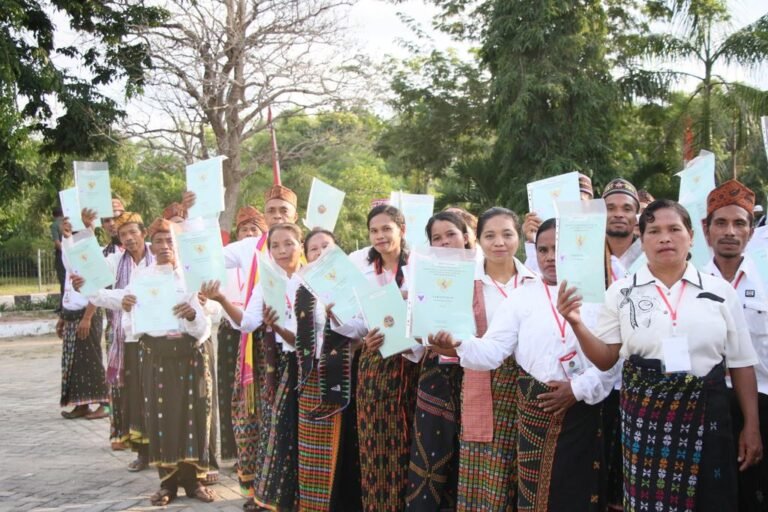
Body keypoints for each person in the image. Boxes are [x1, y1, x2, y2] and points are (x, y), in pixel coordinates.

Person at [558, 199, 763, 511]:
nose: (665, 237)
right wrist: (576, 323)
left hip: (709, 414)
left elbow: (741, 363)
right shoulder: (622, 292)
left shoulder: (720, 292)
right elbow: (605, 359)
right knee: (649, 501)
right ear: (642, 240)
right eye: (654, 231)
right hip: (646, 416)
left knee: (712, 497)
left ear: (692, 235)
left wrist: (751, 425)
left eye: (674, 229)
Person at [431, 218, 617, 511]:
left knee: (579, 492)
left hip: (583, 411)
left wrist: (577, 389)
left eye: (559, 248)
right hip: (535, 410)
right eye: (543, 250)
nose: (550, 257)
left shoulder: (602, 296)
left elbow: (612, 361)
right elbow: (493, 350)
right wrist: (458, 343)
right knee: (534, 496)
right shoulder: (522, 296)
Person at [202, 222, 304, 511]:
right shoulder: (267, 283)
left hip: (311, 367)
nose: (282, 250)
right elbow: (247, 322)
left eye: (289, 244)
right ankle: (276, 497)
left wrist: (282, 329)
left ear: (301, 245)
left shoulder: (313, 281)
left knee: (303, 432)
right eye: (275, 245)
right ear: (268, 250)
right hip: (282, 366)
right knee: (277, 428)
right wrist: (221, 298)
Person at [113, 218, 216, 506]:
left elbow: (206, 327)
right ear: (151, 243)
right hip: (157, 355)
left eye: (170, 240)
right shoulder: (142, 278)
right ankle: (167, 484)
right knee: (162, 417)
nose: (164, 246)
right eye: (158, 240)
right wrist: (132, 311)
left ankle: (195, 482)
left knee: (194, 417)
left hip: (191, 355)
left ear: (179, 243)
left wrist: (195, 314)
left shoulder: (193, 278)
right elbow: (129, 326)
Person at [702, 180, 768, 511]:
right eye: (721, 222)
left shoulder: (766, 283)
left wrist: (752, 424)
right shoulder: (690, 284)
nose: (730, 231)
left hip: (761, 403)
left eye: (739, 223)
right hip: (704, 404)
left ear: (751, 232)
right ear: (706, 230)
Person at [74, 210, 155, 468]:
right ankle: (143, 453)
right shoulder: (115, 261)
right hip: (128, 341)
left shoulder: (160, 256)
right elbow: (95, 288)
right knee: (136, 397)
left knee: (158, 395)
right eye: (123, 234)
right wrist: (84, 284)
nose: (129, 238)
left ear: (143, 233)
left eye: (133, 232)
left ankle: (164, 451)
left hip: (159, 339)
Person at [295, 228, 366, 511]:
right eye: (314, 249)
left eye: (326, 246)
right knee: (315, 451)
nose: (321, 252)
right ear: (307, 255)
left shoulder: (355, 285)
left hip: (349, 375)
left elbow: (366, 327)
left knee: (348, 446)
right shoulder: (302, 290)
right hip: (314, 378)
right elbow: (299, 335)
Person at [354, 204, 420, 512]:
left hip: (412, 364)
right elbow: (356, 322)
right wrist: (358, 333)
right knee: (374, 446)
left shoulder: (418, 267)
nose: (380, 236)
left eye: (386, 229)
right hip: (374, 365)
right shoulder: (363, 271)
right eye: (374, 230)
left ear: (401, 231)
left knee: (408, 445)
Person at [405, 211, 472, 511]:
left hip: (475, 374)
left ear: (466, 236)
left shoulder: (483, 273)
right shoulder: (424, 277)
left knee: (466, 455)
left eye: (451, 234)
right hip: (435, 374)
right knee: (429, 451)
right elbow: (414, 337)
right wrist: (422, 334)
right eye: (436, 238)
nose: (444, 242)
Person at [217, 206, 267, 462]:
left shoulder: (266, 255)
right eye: (243, 229)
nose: (248, 233)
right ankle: (235, 452)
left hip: (260, 332)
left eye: (253, 229)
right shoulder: (231, 257)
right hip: (233, 331)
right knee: (234, 393)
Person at [57, 217, 109, 420]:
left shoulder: (91, 252)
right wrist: (63, 316)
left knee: (91, 360)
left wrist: (87, 318)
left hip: (87, 314)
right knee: (73, 362)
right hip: (71, 315)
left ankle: (105, 402)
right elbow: (68, 287)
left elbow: (99, 288)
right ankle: (82, 404)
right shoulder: (70, 254)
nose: (69, 230)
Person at [51, 206, 66, 311]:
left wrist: (65, 253)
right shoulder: (69, 222)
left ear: (53, 215)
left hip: (62, 255)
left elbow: (57, 243)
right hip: (74, 253)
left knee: (63, 280)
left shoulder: (54, 225)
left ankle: (63, 306)